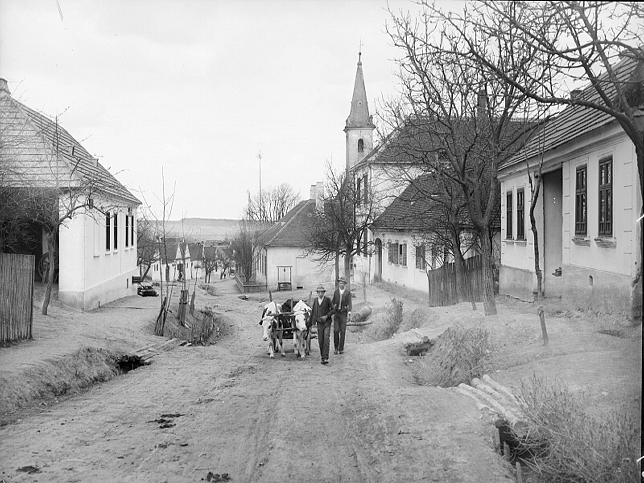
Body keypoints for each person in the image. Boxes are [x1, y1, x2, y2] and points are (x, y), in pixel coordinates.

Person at [310, 284, 334, 365]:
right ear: (317, 293)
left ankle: (326, 357)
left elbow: (333, 310)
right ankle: (322, 357)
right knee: (321, 340)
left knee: (326, 338)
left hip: (327, 323)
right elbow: (313, 313)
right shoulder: (315, 301)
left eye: (322, 292)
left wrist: (327, 316)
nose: (320, 294)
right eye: (319, 292)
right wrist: (313, 324)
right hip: (319, 323)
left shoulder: (328, 300)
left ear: (324, 293)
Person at [331, 277, 352, 354]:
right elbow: (332, 302)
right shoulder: (336, 292)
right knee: (336, 330)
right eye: (340, 283)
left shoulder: (347, 293)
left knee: (342, 331)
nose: (341, 284)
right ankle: (336, 348)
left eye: (343, 283)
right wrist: (331, 308)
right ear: (338, 284)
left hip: (343, 314)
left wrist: (349, 313)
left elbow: (349, 303)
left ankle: (341, 349)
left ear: (345, 284)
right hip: (336, 313)